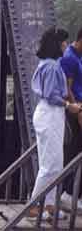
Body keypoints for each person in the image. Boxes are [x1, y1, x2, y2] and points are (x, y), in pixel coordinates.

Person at [28, 27, 80, 219]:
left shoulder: (48, 63)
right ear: (56, 44)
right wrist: (69, 105)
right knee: (51, 164)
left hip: (49, 114)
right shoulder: (51, 66)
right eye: (64, 42)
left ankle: (48, 205)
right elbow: (51, 95)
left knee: (52, 162)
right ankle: (34, 205)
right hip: (50, 114)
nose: (66, 45)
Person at [61, 26, 82, 206]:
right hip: (76, 112)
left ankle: (72, 193)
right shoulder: (70, 58)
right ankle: (69, 193)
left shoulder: (77, 55)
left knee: (76, 149)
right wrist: (78, 110)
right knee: (76, 150)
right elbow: (67, 89)